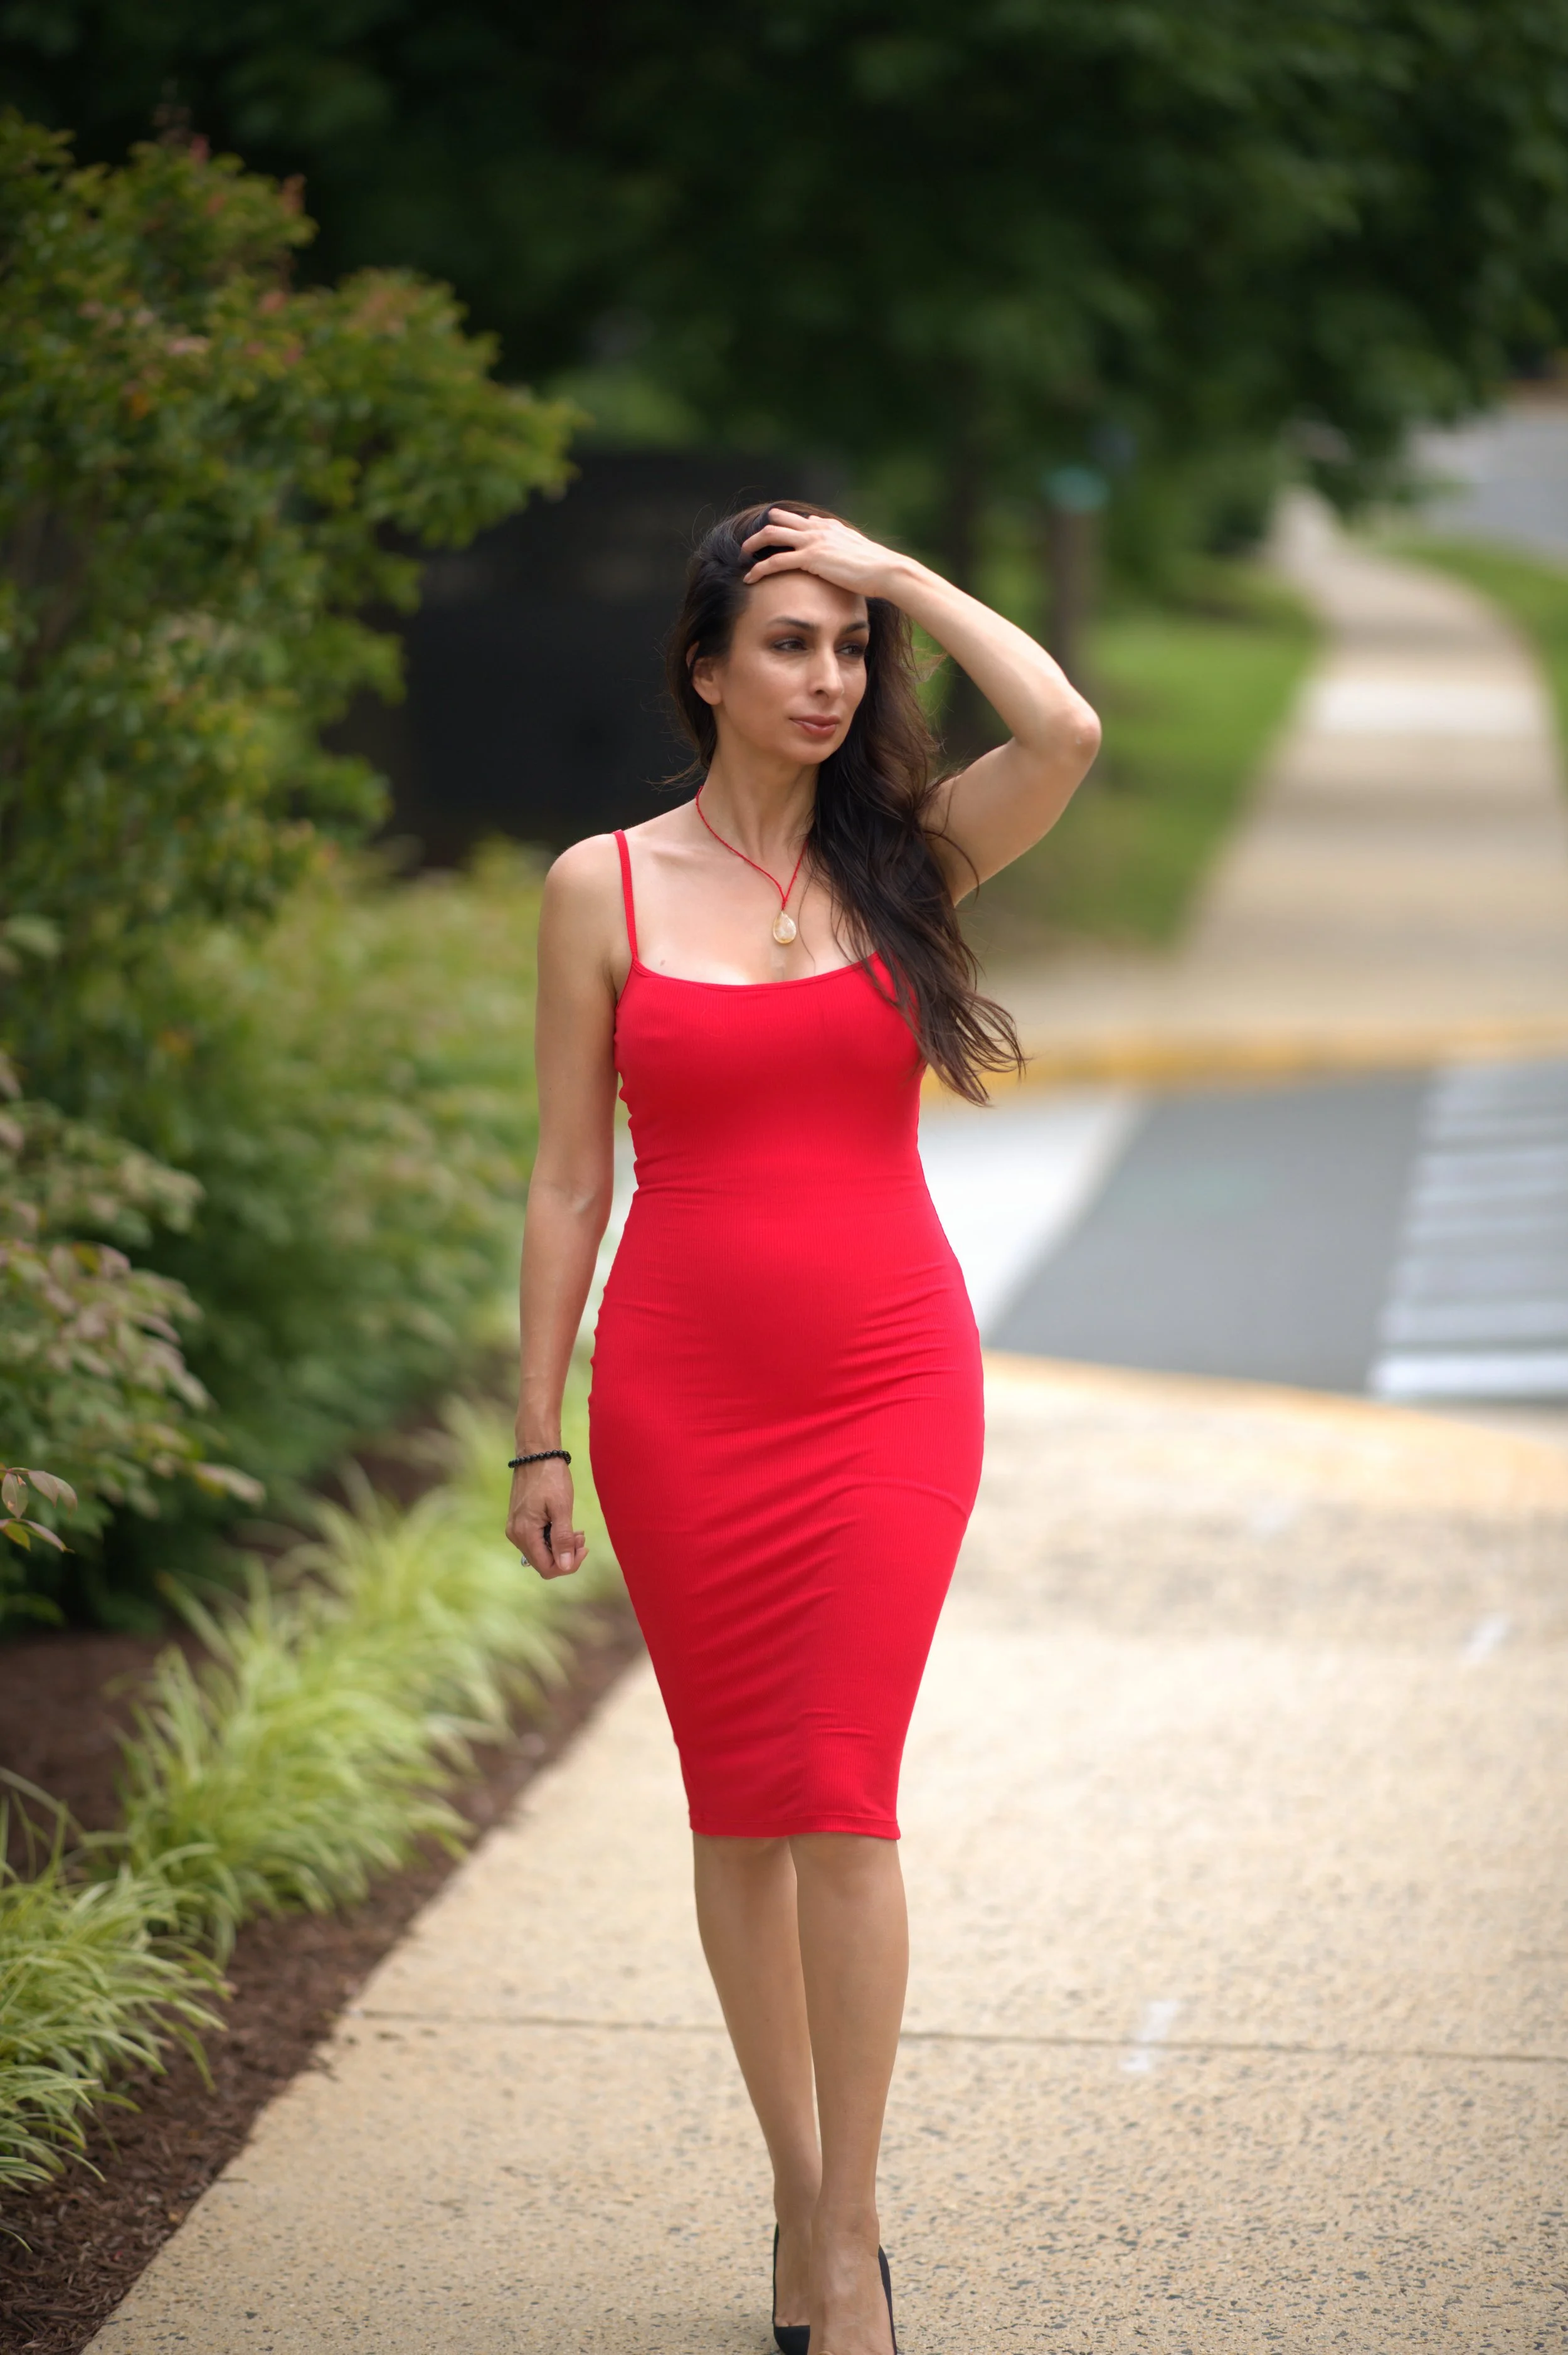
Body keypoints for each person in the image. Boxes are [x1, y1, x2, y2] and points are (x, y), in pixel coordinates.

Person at [507, 503, 1099, 2355]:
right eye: (788, 642)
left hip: (888, 1381)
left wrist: (899, 575)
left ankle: (846, 2244)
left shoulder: (910, 859)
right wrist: (536, 1431)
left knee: (840, 1796)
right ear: (704, 670)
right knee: (738, 1808)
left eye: (851, 648)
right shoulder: (600, 888)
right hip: (679, 1397)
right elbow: (564, 1181)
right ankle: (794, 2182)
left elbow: (1065, 729)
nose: (830, 677)